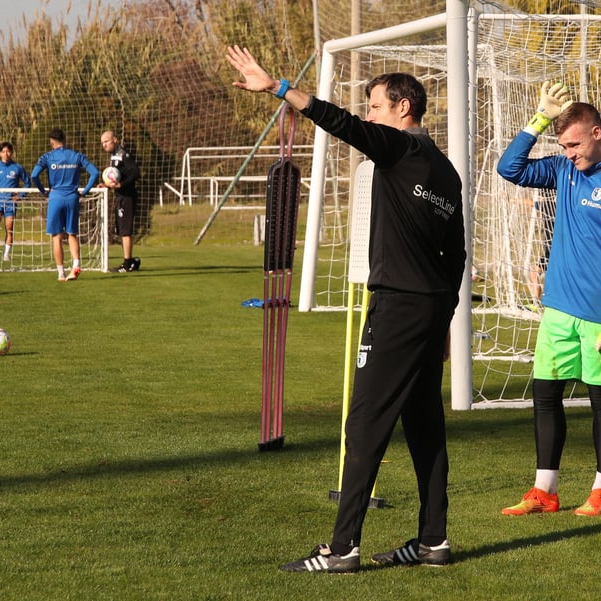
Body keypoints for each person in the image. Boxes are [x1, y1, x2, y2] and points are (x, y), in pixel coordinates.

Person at [226, 45, 465, 573]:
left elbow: (338, 123)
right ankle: (433, 542)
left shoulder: (400, 149)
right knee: (424, 426)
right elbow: (457, 257)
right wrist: (444, 322)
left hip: (399, 311)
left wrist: (278, 88)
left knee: (363, 426)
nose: (369, 116)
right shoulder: (446, 173)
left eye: (376, 106)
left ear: (404, 108)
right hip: (428, 313)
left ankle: (343, 548)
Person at [496, 81, 601, 517]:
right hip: (558, 310)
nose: (569, 153)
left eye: (575, 144)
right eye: (562, 145)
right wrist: (538, 120)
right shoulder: (563, 170)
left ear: (597, 133)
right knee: (545, 395)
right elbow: (509, 168)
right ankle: (544, 491)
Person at [31, 128, 100, 282]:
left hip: (55, 197)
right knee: (72, 234)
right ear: (65, 140)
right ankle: (76, 265)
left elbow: (34, 175)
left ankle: (61, 273)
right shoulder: (76, 155)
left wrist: (43, 191)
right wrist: (85, 191)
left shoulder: (48, 156)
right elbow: (95, 173)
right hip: (72, 197)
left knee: (56, 236)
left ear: (51, 142)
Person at [99, 130, 142, 273]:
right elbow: (118, 177)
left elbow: (135, 172)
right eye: (102, 143)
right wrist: (107, 185)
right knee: (122, 229)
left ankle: (127, 263)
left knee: (125, 231)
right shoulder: (114, 156)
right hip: (120, 196)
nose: (104, 145)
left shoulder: (124, 155)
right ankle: (131, 261)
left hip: (127, 197)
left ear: (115, 140)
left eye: (106, 141)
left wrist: (121, 185)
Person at [0, 142, 30, 263]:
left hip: (10, 203)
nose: (6, 154)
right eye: (3, 152)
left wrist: (20, 196)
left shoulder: (17, 167)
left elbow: (28, 183)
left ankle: (6, 254)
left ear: (12, 152)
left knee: (9, 229)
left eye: (8, 151)